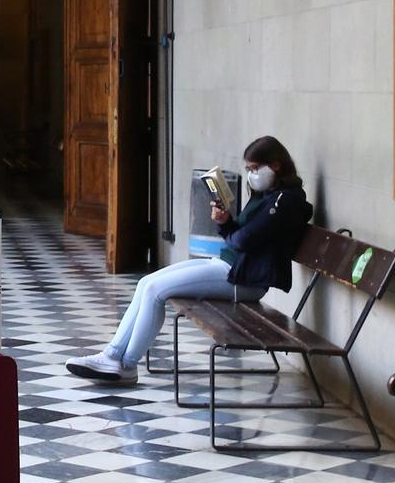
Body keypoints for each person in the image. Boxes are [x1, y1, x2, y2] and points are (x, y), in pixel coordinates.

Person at [67, 136, 312, 383]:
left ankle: (127, 365)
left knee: (155, 290)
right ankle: (112, 355)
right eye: (248, 169)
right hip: (228, 266)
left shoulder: (287, 200)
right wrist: (225, 222)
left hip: (245, 279)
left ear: (276, 165)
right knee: (146, 283)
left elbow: (244, 241)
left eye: (255, 168)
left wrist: (231, 230)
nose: (251, 175)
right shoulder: (264, 195)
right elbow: (238, 236)